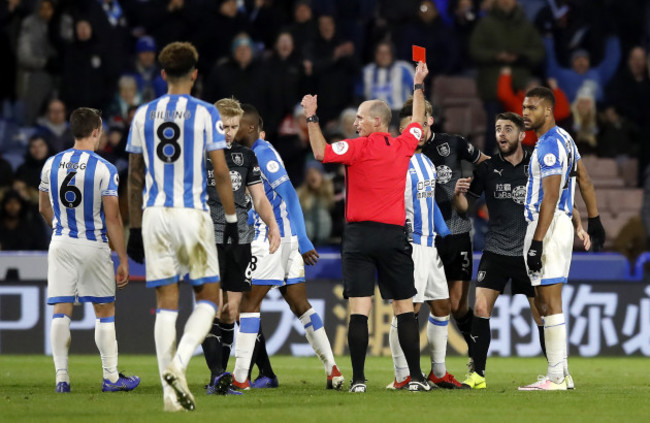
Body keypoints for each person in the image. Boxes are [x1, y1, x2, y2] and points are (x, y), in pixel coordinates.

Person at [301, 61, 431, 393]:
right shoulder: (404, 146)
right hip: (392, 236)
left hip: (359, 237)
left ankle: (358, 380)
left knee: (359, 309)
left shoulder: (355, 148)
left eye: (360, 118)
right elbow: (417, 122)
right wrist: (418, 85)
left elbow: (319, 152)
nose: (355, 123)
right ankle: (415, 377)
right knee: (404, 308)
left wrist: (311, 117)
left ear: (377, 122)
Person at [126, 42, 238, 411]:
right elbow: (221, 171)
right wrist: (233, 218)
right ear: (194, 73)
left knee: (166, 302)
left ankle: (168, 395)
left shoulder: (143, 114)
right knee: (209, 297)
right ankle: (181, 363)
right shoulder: (206, 113)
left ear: (162, 75)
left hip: (155, 213)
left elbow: (134, 177)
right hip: (193, 213)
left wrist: (134, 228)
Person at [453, 111, 590, 389]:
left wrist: (578, 225)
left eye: (507, 129)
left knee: (542, 311)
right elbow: (466, 208)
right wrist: (457, 195)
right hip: (496, 250)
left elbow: (558, 199)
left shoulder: (536, 162)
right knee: (480, 306)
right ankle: (477, 374)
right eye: (497, 129)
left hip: (529, 250)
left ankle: (559, 371)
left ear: (521, 134)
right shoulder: (487, 169)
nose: (501, 134)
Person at [230, 104, 344, 391]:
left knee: (248, 304)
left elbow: (290, 195)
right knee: (299, 304)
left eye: (236, 124)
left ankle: (240, 378)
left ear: (252, 127)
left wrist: (304, 240)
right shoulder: (253, 153)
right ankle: (333, 370)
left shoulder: (262, 153)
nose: (230, 129)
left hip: (273, 240)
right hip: (286, 240)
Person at [37, 107, 139, 393]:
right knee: (104, 310)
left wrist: (59, 227)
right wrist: (121, 258)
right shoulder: (105, 169)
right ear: (96, 131)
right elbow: (113, 218)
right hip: (93, 244)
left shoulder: (51, 164)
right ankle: (111, 378)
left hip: (60, 243)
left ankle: (61, 379)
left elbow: (43, 207)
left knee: (61, 309)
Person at [518, 87, 604, 391]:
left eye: (532, 108)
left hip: (549, 225)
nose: (525, 113)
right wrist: (592, 219)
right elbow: (584, 179)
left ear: (549, 111)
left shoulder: (550, 144)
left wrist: (538, 240)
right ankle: (561, 373)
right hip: (558, 223)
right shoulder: (566, 139)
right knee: (544, 300)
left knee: (550, 302)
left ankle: (556, 376)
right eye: (525, 107)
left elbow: (551, 196)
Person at [201, 97, 281, 395]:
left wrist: (272, 226)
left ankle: (219, 378)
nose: (229, 132)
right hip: (207, 238)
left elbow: (259, 198)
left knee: (230, 311)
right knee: (211, 308)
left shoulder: (246, 156)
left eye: (233, 127)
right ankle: (217, 376)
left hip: (240, 240)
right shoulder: (200, 156)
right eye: (224, 126)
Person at [386, 96, 462, 390]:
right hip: (412, 246)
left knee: (442, 306)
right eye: (410, 128)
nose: (415, 131)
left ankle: (438, 371)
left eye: (417, 126)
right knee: (409, 310)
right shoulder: (397, 164)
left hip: (431, 247)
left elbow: (429, 206)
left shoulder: (427, 163)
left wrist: (446, 235)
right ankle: (401, 375)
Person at [420, 87, 489, 373]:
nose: (418, 128)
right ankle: (417, 371)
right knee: (420, 304)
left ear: (431, 120)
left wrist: (471, 191)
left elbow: (487, 164)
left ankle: (477, 362)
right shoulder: (402, 152)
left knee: (458, 305)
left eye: (422, 121)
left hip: (457, 230)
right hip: (423, 236)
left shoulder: (452, 144)